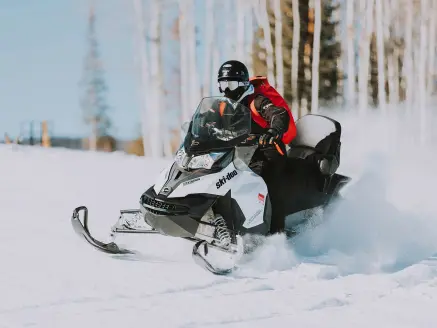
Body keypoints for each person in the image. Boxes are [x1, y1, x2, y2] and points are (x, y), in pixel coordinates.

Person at [214, 60, 298, 234]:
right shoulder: (224, 106)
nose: (227, 90)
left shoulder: (256, 101)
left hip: (268, 152)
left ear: (243, 84)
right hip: (241, 155)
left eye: (231, 84)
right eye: (223, 84)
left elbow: (278, 114)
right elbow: (210, 121)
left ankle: (276, 233)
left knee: (267, 184)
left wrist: (273, 129)